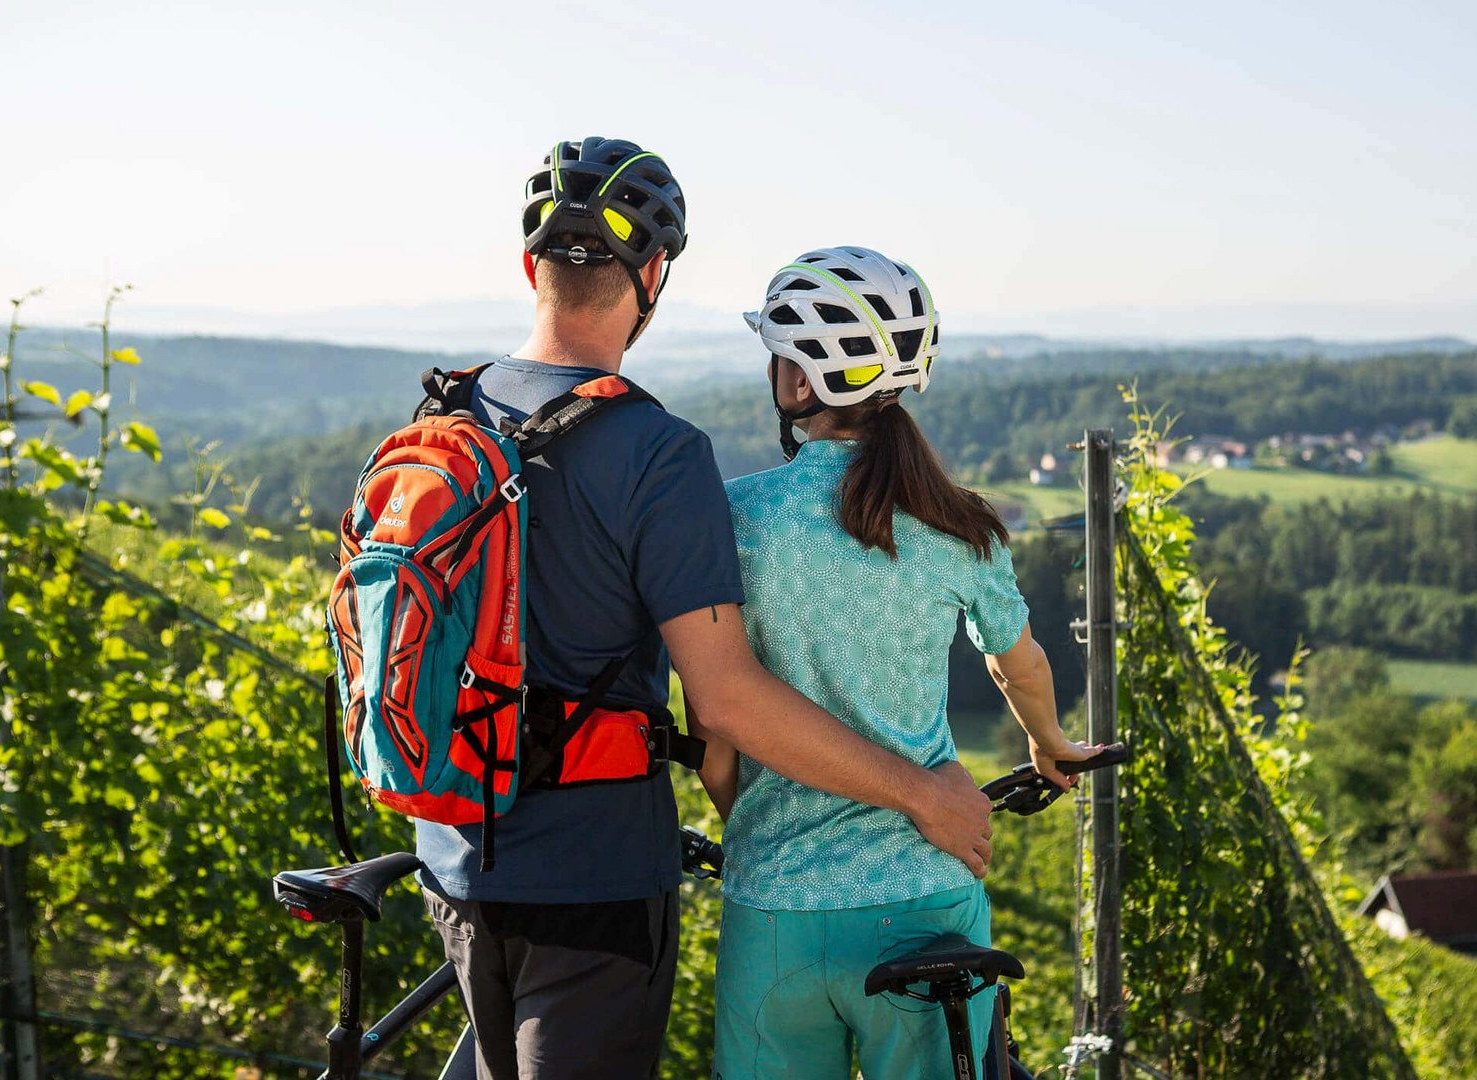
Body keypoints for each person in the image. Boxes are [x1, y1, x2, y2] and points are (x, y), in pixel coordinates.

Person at [415, 143, 994, 1080]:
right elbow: (725, 702)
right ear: (652, 276)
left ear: (531, 268)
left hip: (451, 853)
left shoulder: (443, 420)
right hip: (593, 874)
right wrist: (927, 792)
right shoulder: (657, 451)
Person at [699, 246, 1098, 1079]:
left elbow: (717, 731)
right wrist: (1048, 742)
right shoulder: (959, 523)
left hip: (776, 905)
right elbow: (1017, 666)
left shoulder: (734, 517)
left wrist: (740, 804)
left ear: (801, 384)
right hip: (927, 897)